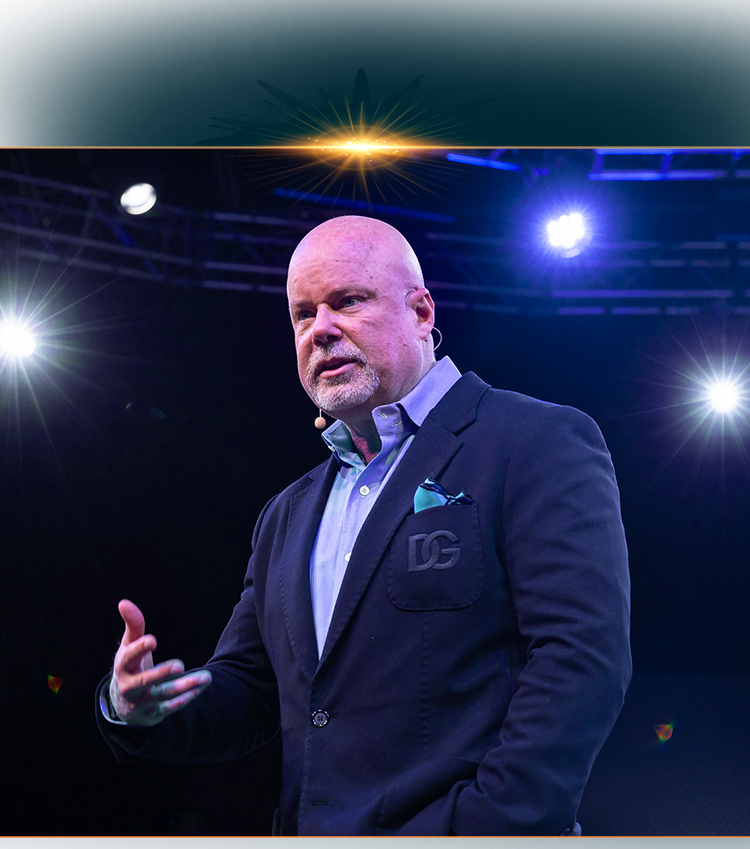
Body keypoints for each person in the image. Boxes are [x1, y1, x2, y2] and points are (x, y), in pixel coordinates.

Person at [96, 215, 632, 836]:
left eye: (347, 301)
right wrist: (136, 704)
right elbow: (249, 692)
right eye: (302, 314)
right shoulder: (285, 515)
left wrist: (488, 824)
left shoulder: (535, 442)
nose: (320, 330)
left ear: (422, 312)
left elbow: (580, 657)